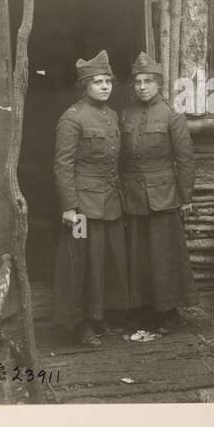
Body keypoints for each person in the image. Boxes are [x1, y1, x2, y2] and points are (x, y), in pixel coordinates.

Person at [52, 50, 128, 347]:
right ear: (84, 86)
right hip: (82, 208)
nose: (105, 86)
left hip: (109, 202)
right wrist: (69, 206)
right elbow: (62, 164)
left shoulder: (110, 115)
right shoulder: (72, 119)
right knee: (79, 261)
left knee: (103, 261)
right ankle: (79, 324)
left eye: (108, 80)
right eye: (98, 82)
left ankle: (97, 316)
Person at [119, 52, 196, 333]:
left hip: (164, 197)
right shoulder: (126, 114)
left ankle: (168, 313)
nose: (142, 87)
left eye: (148, 81)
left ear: (159, 84)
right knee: (138, 256)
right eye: (137, 81)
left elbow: (185, 159)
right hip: (133, 197)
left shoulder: (172, 116)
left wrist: (185, 197)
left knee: (164, 255)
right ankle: (141, 310)